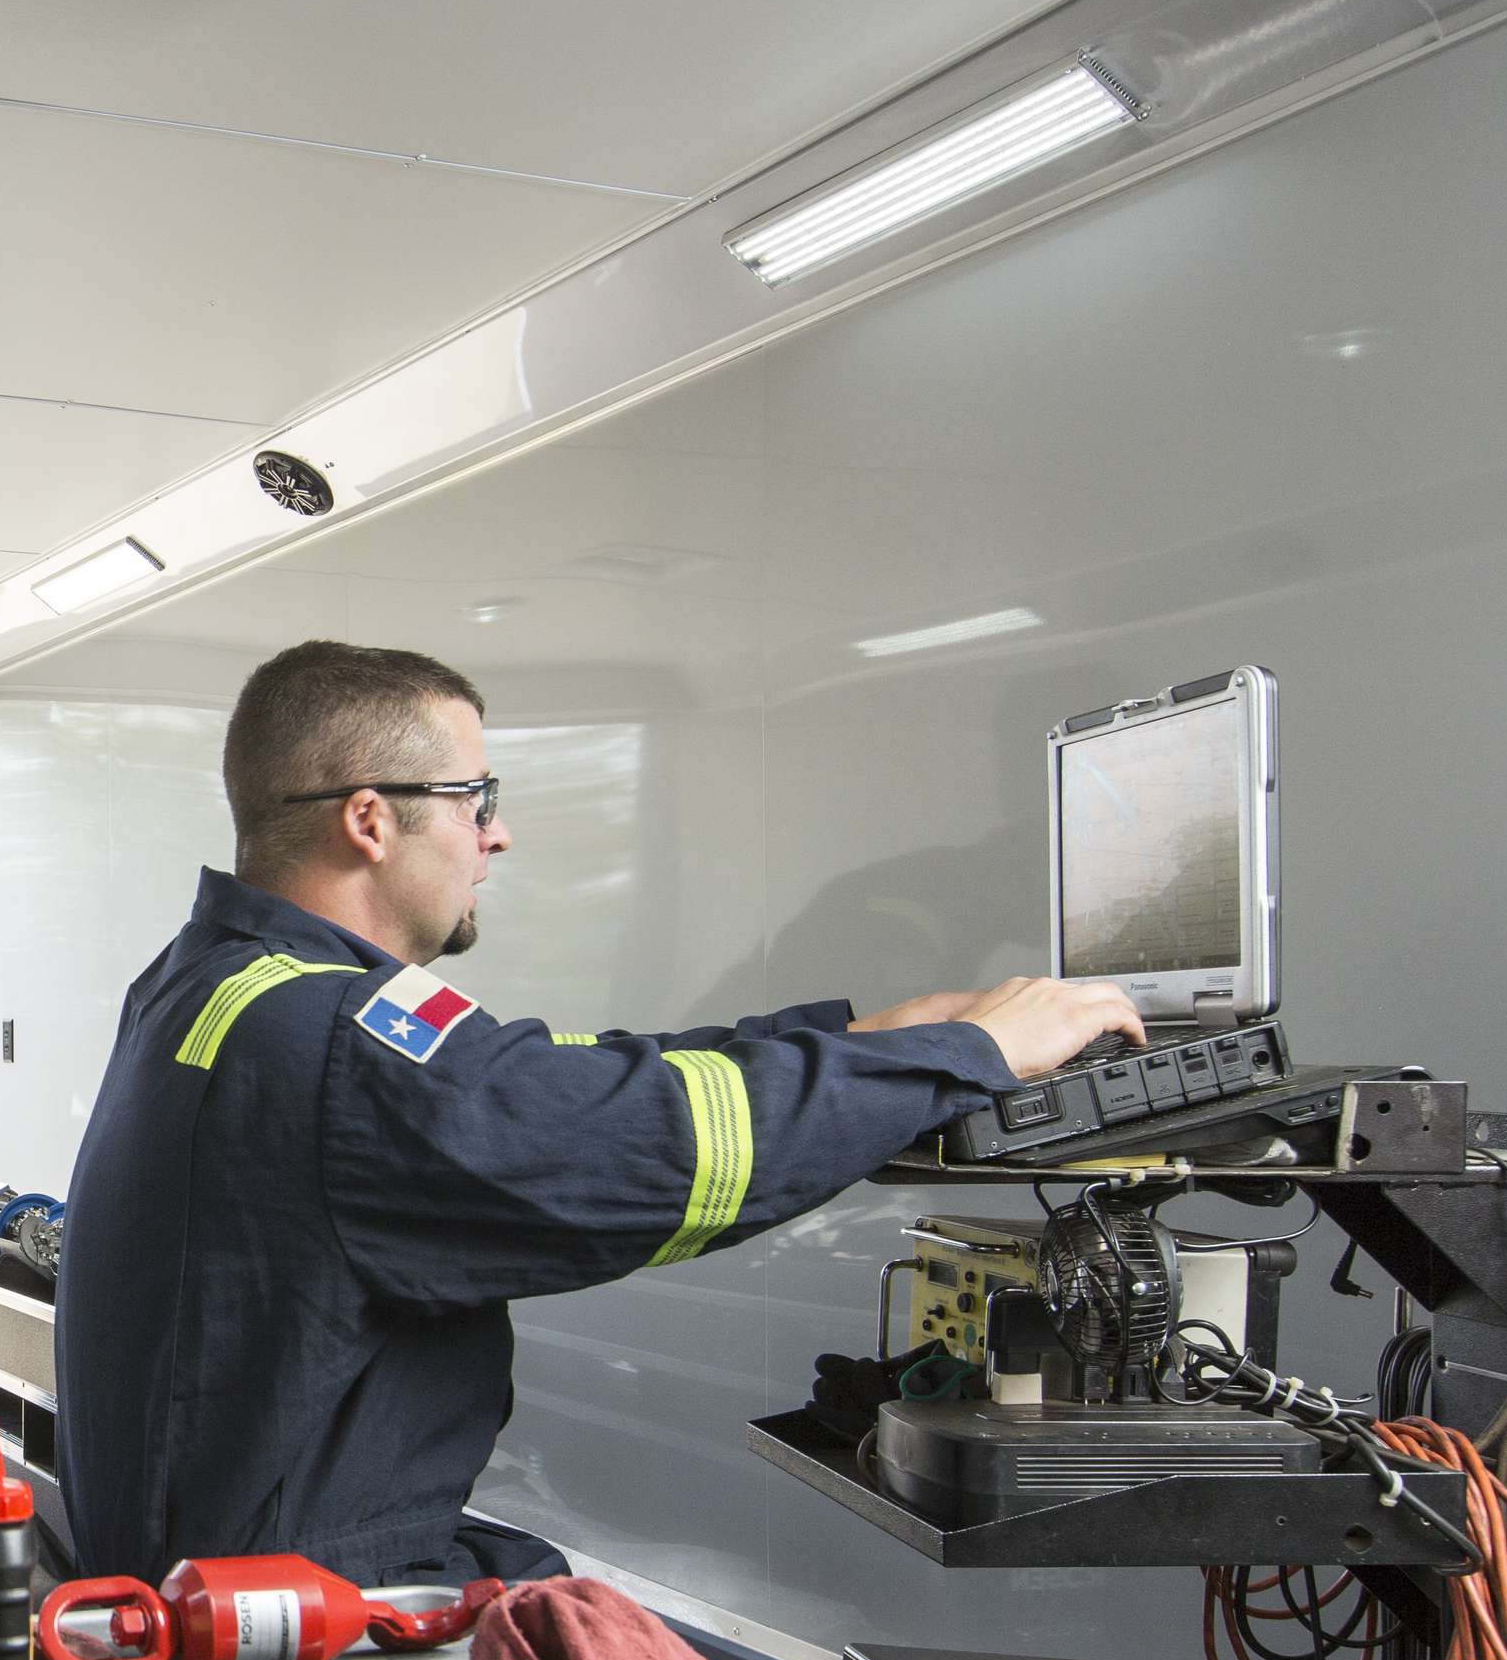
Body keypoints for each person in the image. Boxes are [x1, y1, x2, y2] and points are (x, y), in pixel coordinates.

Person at [56, 640, 1146, 1586]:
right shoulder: (333, 1040)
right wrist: (968, 1058)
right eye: (477, 800)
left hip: (213, 1573)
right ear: (371, 821)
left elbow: (554, 1077)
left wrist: (861, 1043)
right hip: (293, 1618)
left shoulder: (215, 984)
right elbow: (627, 1141)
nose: (499, 835)